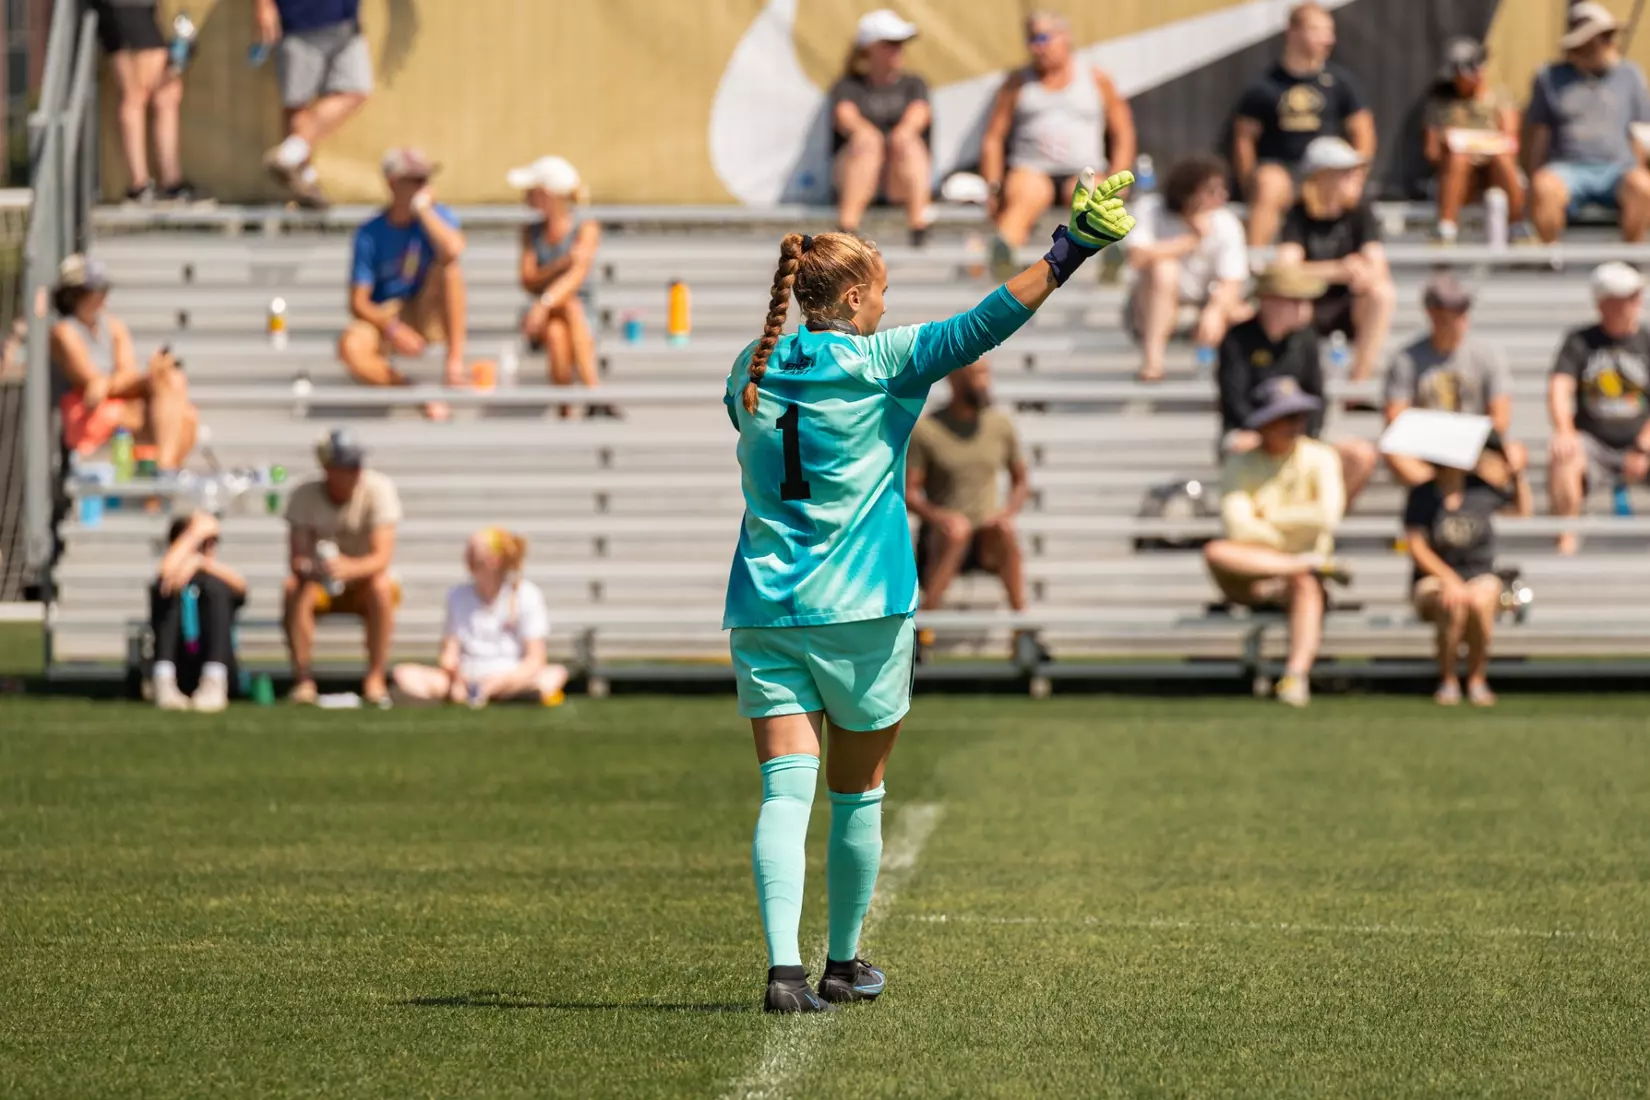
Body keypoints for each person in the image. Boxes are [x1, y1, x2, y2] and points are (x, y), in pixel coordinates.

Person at [722, 171, 1135, 1011]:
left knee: (783, 790)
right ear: (858, 294)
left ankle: (781, 970)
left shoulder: (751, 365)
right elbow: (986, 323)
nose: (886, 306)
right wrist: (1072, 250)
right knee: (857, 791)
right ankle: (840, 964)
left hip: (765, 608)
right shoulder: (882, 363)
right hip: (864, 610)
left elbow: (756, 421)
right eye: (883, 292)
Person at [1203, 376, 1349, 708]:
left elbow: (1327, 516)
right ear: (1265, 423)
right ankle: (1307, 564)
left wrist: (1269, 517)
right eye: (1285, 417)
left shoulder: (1321, 456)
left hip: (1286, 572)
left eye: (1297, 416)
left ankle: (1295, 676)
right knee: (1217, 552)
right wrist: (1297, 543)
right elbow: (1238, 529)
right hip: (1254, 574)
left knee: (1304, 585)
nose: (1294, 425)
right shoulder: (1240, 463)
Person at [979, 12, 1135, 264]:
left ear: (1065, 38)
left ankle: (1109, 257)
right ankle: (1003, 254)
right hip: (1031, 169)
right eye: (1031, 40)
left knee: (1092, 197)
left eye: (1042, 38)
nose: (1036, 47)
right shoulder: (1017, 83)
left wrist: (1120, 180)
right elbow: (993, 138)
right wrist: (993, 186)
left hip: (1083, 168)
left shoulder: (1096, 79)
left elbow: (1123, 131)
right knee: (1025, 196)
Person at [905, 361, 1037, 657]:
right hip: (942, 538)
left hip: (986, 537)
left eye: (986, 374)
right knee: (958, 531)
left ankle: (1023, 630)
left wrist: (1007, 513)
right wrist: (940, 518)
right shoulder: (928, 428)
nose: (984, 382)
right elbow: (910, 493)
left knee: (1003, 529)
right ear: (955, 379)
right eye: (977, 375)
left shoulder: (1000, 424)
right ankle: (923, 628)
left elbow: (1021, 481)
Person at [1216, 266, 1377, 504]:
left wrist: (1302, 436)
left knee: (1360, 455)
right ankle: (1260, 521)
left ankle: (1315, 522)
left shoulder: (1306, 339)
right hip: (1252, 433)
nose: (1304, 307)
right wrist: (1271, 435)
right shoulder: (1236, 340)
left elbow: (1317, 396)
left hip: (1299, 434)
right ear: (1269, 302)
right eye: (1294, 300)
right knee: (1240, 446)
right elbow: (1234, 402)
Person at [1382, 272, 1531, 515]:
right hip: (1425, 448)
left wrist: (1460, 442)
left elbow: (1501, 418)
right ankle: (1433, 507)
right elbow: (1394, 417)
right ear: (1433, 313)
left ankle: (1504, 518)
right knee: (1392, 451)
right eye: (1455, 308)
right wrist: (1443, 440)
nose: (1462, 315)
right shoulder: (1406, 359)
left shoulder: (1487, 355)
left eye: (1464, 307)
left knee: (1515, 453)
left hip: (1473, 446)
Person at [1232, 1, 1374, 246]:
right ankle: (1255, 268)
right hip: (1283, 173)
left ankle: (1354, 266)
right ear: (1292, 32)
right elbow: (1244, 138)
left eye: (1330, 32)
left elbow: (1363, 130)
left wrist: (1357, 175)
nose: (1327, 40)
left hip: (1326, 172)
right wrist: (1250, 183)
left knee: (1346, 186)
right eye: (1317, 31)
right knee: (1268, 183)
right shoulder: (1264, 85)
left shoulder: (1341, 83)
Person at [337, 149, 468, 410]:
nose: (425, 187)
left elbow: (454, 249)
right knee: (350, 346)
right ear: (394, 183)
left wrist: (424, 212)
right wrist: (392, 328)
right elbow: (358, 302)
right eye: (417, 180)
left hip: (428, 310)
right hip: (389, 314)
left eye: (427, 180)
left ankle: (454, 364)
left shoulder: (437, 216)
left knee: (449, 268)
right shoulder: (370, 233)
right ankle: (412, 393)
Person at [283, 428, 403, 705]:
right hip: (320, 584)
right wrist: (316, 569)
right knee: (293, 589)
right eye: (347, 465)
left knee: (382, 588)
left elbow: (381, 557)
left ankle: (375, 677)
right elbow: (296, 560)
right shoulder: (304, 495)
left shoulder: (378, 489)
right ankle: (303, 679)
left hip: (363, 582)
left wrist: (349, 568)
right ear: (328, 468)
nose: (355, 470)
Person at [49, 254, 198, 470]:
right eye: (96, 290)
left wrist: (140, 375)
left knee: (173, 382)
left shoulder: (112, 325)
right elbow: (88, 381)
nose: (103, 297)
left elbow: (119, 377)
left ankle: (163, 475)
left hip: (114, 403)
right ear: (75, 294)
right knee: (183, 416)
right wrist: (120, 381)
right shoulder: (65, 332)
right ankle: (162, 482)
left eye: (104, 290)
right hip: (86, 412)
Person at [391, 528, 569, 707]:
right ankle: (496, 696)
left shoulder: (526, 594)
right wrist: (457, 676)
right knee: (403, 674)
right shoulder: (457, 595)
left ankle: (496, 694)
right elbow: (449, 653)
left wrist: (494, 684)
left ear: (495, 560)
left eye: (472, 554)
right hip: (468, 675)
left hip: (510, 675)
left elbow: (535, 659)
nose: (466, 559)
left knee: (553, 675)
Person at [1401, 434, 1516, 707]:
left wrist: (1516, 471)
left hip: (1479, 574)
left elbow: (1521, 509)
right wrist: (1450, 580)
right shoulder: (1422, 495)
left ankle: (1477, 678)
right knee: (1452, 603)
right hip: (1434, 579)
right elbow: (1417, 547)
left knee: (1479, 600)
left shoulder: (1482, 491)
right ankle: (1448, 678)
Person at [1275, 136, 1396, 384]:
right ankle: (1294, 381)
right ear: (1322, 177)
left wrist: (1362, 274)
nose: (1357, 177)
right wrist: (1338, 270)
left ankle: (1358, 382)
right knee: (1286, 299)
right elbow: (1286, 268)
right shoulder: (1297, 215)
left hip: (1349, 305)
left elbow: (1377, 265)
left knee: (1382, 293)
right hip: (1308, 304)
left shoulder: (1361, 212)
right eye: (1346, 172)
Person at [1526, 2, 1650, 244]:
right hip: (1566, 169)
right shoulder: (1549, 77)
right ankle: (1552, 260)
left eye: (1608, 37)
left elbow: (1640, 133)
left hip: (1618, 169)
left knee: (1643, 187)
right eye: (1599, 38)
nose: (1606, 44)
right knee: (1543, 186)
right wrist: (1532, 178)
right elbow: (1539, 134)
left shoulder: (1631, 75)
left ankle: (1629, 262)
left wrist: (1639, 170)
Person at [1549, 262, 1650, 555]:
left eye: (1635, 296)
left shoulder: (1646, 340)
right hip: (1592, 441)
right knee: (1564, 453)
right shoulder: (1580, 341)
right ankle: (1566, 537)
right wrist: (1564, 430)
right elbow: (1559, 387)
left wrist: (1643, 446)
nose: (1634, 304)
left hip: (1641, 438)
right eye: (1626, 298)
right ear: (1604, 303)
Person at [1125, 155, 1251, 383]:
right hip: (1149, 303)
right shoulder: (1150, 209)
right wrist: (1191, 241)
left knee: (1243, 311)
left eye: (1222, 189)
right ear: (1189, 192)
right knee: (1164, 269)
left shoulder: (1226, 222)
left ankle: (1236, 380)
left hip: (1206, 302)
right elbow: (1136, 256)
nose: (1222, 197)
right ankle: (1153, 361)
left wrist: (1214, 311)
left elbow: (1232, 280)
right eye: (1212, 191)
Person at [257, 0, 373, 210]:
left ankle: (290, 154)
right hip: (300, 20)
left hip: (346, 20)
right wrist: (264, 6)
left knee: (355, 90)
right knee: (297, 104)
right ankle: (305, 185)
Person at [829, 9, 931, 244]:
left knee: (906, 142)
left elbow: (919, 115)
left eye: (900, 43)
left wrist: (901, 134)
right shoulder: (848, 86)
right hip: (855, 172)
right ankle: (847, 228)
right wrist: (867, 133)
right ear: (869, 48)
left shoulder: (914, 84)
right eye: (890, 43)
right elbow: (846, 117)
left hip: (897, 179)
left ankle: (919, 226)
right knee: (868, 142)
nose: (898, 49)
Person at [510, 156, 601, 410]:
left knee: (557, 332)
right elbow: (528, 280)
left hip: (565, 315)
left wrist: (544, 302)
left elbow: (576, 277)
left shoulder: (586, 227)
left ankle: (566, 410)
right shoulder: (531, 231)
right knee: (569, 309)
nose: (525, 195)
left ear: (548, 194)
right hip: (547, 312)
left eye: (532, 190)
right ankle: (594, 393)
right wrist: (560, 266)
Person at [1423, 37, 1524, 244]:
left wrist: (1483, 145)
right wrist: (1447, 141)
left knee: (1503, 159)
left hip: (1495, 170)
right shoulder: (1441, 104)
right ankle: (1446, 229)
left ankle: (1519, 226)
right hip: (1458, 175)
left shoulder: (1500, 98)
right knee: (1458, 159)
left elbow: (1511, 142)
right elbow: (1431, 152)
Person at [91, 0, 194, 204]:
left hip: (146, 9)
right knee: (136, 93)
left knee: (167, 92)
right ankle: (140, 184)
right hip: (126, 8)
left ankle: (170, 180)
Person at [149, 512, 247, 713]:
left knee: (216, 589)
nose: (207, 549)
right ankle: (164, 680)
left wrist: (201, 563)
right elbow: (165, 574)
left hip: (215, 665)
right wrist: (193, 534)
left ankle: (213, 679)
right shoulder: (169, 581)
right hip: (180, 665)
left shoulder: (218, 581)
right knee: (167, 591)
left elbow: (242, 587)